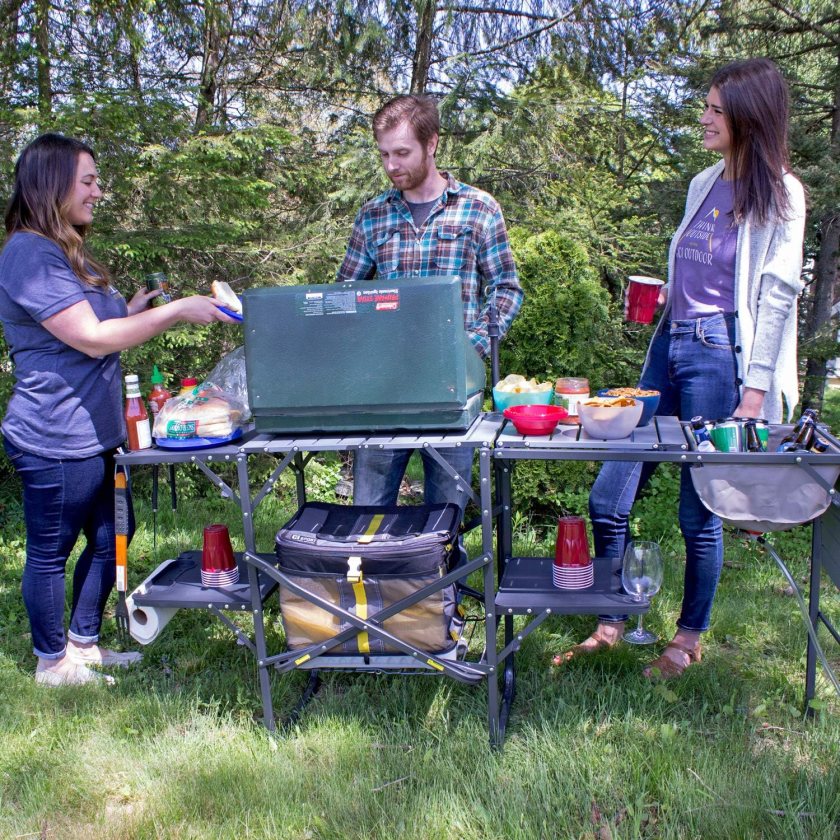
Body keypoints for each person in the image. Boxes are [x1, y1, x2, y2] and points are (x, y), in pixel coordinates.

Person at [557, 58, 806, 678]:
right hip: (669, 346)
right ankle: (613, 617)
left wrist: (754, 393)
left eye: (716, 110)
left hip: (723, 356)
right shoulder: (702, 184)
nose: (703, 118)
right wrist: (667, 296)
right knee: (609, 489)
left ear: (749, 117)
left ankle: (688, 636)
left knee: (698, 508)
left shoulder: (782, 192)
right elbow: (696, 271)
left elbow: (774, 294)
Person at [0, 133, 236, 686]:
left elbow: (100, 327)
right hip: (54, 433)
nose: (98, 192)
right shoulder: (27, 253)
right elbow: (90, 338)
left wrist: (133, 309)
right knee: (49, 553)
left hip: (98, 430)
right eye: (88, 181)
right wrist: (178, 311)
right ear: (53, 184)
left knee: (112, 540)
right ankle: (51, 661)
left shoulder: (65, 251)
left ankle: (83, 644)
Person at [338, 93, 523, 513]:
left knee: (447, 515)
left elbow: (507, 290)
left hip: (452, 392)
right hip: (383, 394)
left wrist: (468, 349)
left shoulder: (479, 209)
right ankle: (375, 579)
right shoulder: (372, 216)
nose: (391, 165)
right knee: (368, 513)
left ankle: (447, 581)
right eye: (383, 154)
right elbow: (342, 297)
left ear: (432, 144)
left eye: (402, 152)